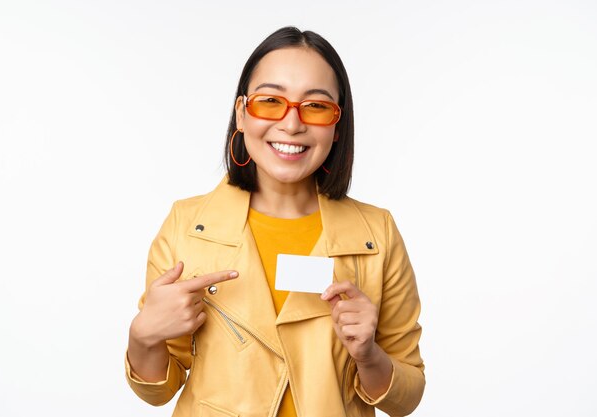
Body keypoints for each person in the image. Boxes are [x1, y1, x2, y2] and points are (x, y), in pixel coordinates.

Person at [125, 26, 425, 417]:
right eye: (270, 101)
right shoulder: (187, 225)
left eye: (315, 106)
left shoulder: (377, 234)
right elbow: (157, 392)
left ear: (337, 126)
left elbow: (409, 396)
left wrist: (369, 357)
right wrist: (142, 336)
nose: (291, 123)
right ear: (241, 114)